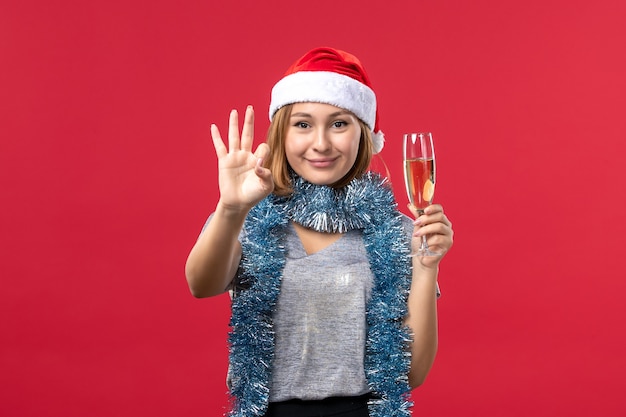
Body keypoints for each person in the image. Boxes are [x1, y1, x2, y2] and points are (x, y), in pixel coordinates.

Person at [185, 47, 454, 417]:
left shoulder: (399, 233)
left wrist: (426, 267)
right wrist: (230, 208)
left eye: (339, 123)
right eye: (303, 124)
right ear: (282, 134)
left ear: (364, 134)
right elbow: (201, 285)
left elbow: (410, 375)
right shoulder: (247, 215)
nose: (321, 143)